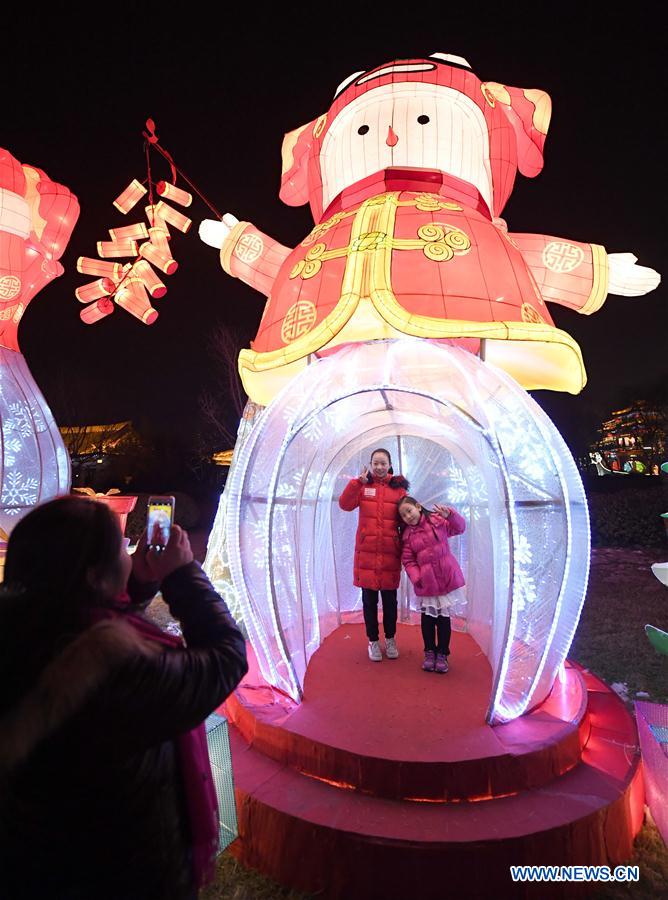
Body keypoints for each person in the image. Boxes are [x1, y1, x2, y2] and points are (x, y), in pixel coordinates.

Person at [0, 496, 248, 900]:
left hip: (40, 867)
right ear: (96, 577)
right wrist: (182, 575)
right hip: (124, 872)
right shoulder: (106, 673)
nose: (131, 551)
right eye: (121, 547)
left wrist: (140, 581)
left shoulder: (26, 635)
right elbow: (226, 659)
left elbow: (89, 615)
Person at [338, 448, 409, 661]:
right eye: (375, 463)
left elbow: (406, 520)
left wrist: (405, 549)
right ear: (370, 465)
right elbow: (345, 504)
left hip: (390, 554)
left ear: (389, 465)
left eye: (383, 463)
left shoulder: (398, 490)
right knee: (369, 602)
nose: (379, 467)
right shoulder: (362, 486)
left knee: (390, 602)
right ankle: (373, 642)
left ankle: (390, 639)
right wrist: (355, 483)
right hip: (366, 555)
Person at [398, 495, 466, 674]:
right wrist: (416, 576)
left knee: (443, 619)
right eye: (404, 516)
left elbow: (460, 528)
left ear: (418, 507)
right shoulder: (407, 536)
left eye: (409, 511)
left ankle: (442, 653)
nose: (408, 517)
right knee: (428, 620)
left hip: (445, 578)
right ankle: (429, 653)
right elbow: (408, 560)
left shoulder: (437, 521)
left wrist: (450, 515)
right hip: (426, 582)